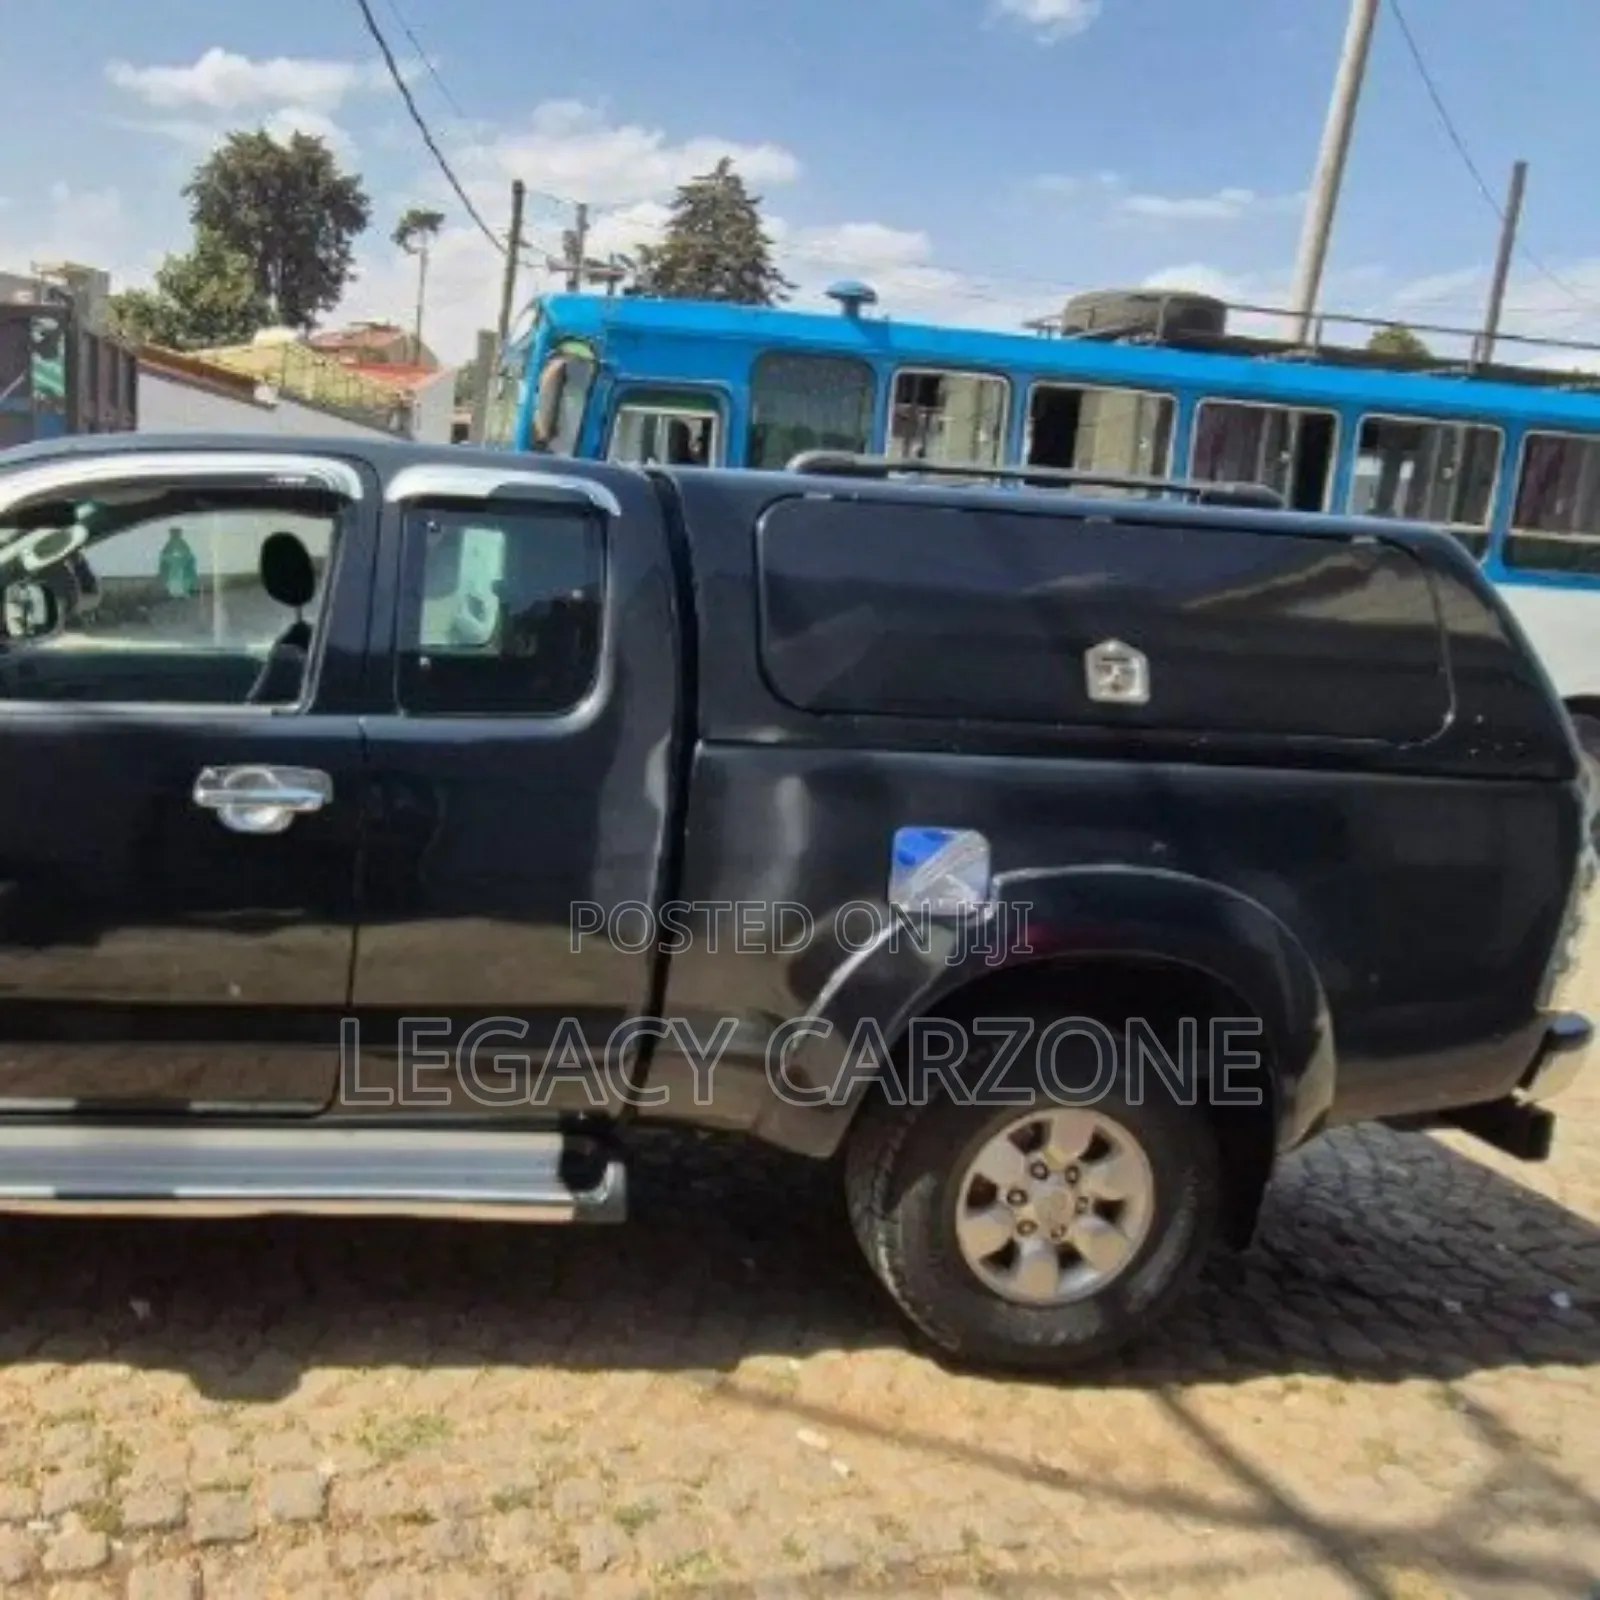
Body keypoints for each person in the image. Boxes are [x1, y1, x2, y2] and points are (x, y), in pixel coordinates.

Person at [159, 527, 198, 599]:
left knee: (181, 579)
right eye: (174, 533)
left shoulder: (182, 543)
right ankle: (175, 593)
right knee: (174, 580)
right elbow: (164, 556)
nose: (175, 535)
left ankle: (182, 592)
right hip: (173, 570)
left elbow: (188, 555)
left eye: (177, 533)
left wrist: (181, 560)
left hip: (180, 569)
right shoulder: (169, 544)